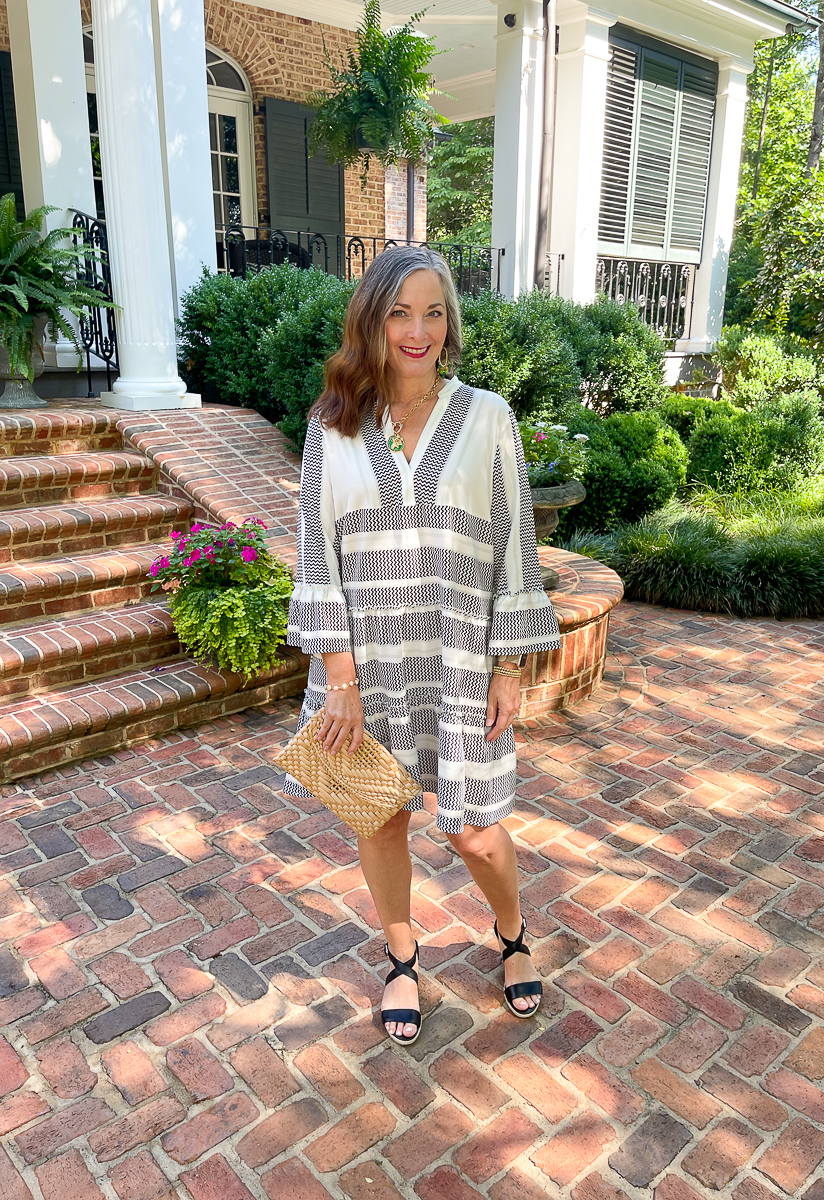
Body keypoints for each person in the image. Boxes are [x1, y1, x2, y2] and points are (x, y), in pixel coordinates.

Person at [283, 245, 561, 1046]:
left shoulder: (488, 417)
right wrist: (340, 679)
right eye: (401, 311)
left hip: (461, 660)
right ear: (372, 319)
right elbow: (315, 552)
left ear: (451, 321)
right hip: (364, 670)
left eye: (434, 311)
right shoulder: (331, 425)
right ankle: (403, 957)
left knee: (472, 826)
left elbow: (514, 545)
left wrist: (509, 665)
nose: (418, 329)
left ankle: (511, 934)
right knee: (381, 816)